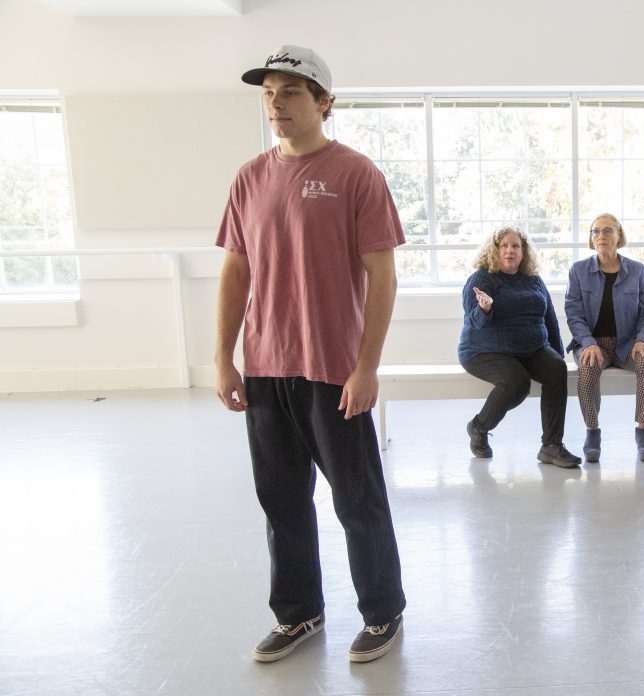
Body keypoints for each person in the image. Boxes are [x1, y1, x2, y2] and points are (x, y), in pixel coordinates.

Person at [214, 45, 406, 664]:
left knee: (357, 501)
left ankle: (383, 613)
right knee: (282, 501)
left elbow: (383, 275)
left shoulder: (356, 174)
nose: (277, 103)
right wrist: (223, 357)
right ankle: (298, 614)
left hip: (334, 370)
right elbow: (235, 270)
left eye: (291, 92)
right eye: (268, 93)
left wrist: (367, 365)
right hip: (268, 369)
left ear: (324, 102)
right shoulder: (249, 177)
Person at [459, 227, 582, 468]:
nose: (510, 250)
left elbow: (550, 319)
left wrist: (556, 353)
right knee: (518, 383)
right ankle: (478, 427)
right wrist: (485, 309)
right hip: (485, 350)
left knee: (557, 369)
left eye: (515, 246)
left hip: (530, 348)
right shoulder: (482, 279)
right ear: (494, 250)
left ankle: (551, 445)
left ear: (523, 252)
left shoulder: (533, 280)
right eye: (504, 246)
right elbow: (473, 321)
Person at [565, 213, 644, 462]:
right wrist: (588, 342)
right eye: (596, 231)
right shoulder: (578, 271)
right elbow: (573, 313)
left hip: (629, 342)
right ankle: (592, 432)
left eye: (608, 231)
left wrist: (642, 339)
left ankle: (643, 432)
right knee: (588, 367)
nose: (601, 236)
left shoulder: (637, 271)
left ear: (619, 236)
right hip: (593, 343)